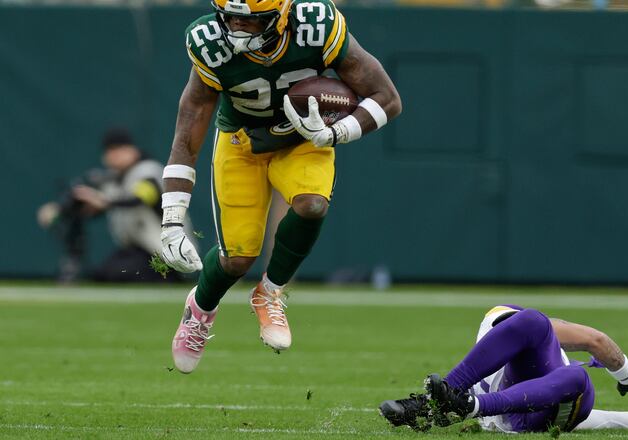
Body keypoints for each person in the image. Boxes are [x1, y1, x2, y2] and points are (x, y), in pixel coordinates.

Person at [161, 0, 401, 373]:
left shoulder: (316, 26)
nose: (238, 28)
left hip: (305, 139)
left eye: (251, 20)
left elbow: (388, 98)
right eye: (231, 17)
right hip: (242, 143)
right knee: (237, 259)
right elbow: (188, 129)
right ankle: (201, 309)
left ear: (283, 14)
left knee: (312, 205)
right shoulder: (209, 41)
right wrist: (172, 218)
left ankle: (270, 292)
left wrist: (335, 133)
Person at [380, 305, 628, 433]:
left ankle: (433, 402)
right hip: (519, 413)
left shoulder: (504, 332)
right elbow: (597, 341)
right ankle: (452, 403)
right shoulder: (524, 334)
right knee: (576, 375)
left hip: (507, 402)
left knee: (567, 368)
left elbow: (603, 419)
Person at [37, 128, 176, 283]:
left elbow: (140, 199)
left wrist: (105, 201)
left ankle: (172, 278)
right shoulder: (112, 179)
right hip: (136, 252)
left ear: (133, 150)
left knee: (120, 274)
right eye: (110, 151)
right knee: (103, 274)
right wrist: (59, 209)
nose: (113, 155)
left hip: (165, 254)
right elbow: (86, 203)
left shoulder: (148, 171)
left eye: (119, 149)